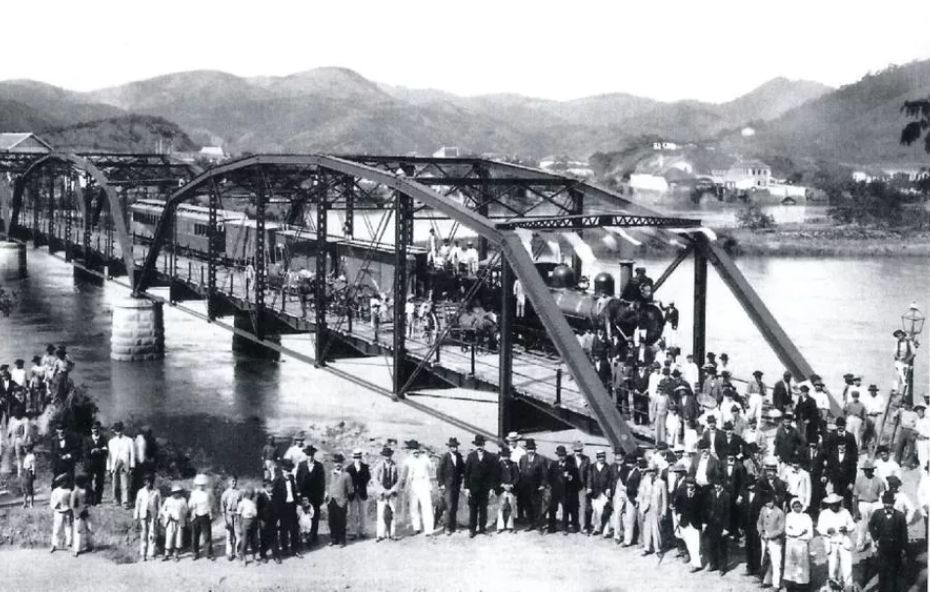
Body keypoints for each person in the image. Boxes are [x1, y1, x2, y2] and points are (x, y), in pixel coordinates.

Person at [817, 493, 857, 590]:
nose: (834, 506)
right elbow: (819, 528)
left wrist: (846, 528)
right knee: (833, 566)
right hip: (831, 542)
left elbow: (853, 525)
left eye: (836, 504)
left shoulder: (845, 512)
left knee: (847, 566)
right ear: (829, 505)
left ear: (839, 503)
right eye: (832, 504)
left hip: (844, 541)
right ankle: (833, 585)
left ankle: (848, 587)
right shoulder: (824, 513)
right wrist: (827, 530)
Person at [464, 434, 498, 537]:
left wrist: (492, 488)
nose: (480, 447)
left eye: (481, 444)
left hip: (485, 488)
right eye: (478, 445)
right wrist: (466, 488)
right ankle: (472, 530)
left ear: (484, 445)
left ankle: (483, 528)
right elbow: (467, 473)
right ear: (475, 445)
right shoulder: (470, 456)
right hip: (473, 488)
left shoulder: (490, 457)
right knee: (473, 509)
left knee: (483, 509)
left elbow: (493, 474)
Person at [402, 440, 435, 535]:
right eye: (412, 450)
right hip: (413, 484)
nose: (414, 451)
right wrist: (405, 487)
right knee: (413, 507)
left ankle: (429, 530)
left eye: (416, 449)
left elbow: (432, 467)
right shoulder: (407, 460)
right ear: (410, 450)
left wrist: (430, 455)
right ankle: (416, 528)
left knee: (427, 506)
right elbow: (404, 474)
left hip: (423, 483)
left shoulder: (424, 458)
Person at [853, 459, 886, 551]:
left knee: (875, 525)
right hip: (863, 503)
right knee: (863, 525)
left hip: (875, 503)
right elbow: (855, 496)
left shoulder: (878, 480)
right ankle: (860, 544)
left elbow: (882, 495)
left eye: (870, 469)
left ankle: (874, 544)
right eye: (866, 470)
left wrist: (882, 507)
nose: (868, 471)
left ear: (873, 470)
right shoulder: (859, 480)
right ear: (863, 470)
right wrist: (855, 510)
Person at [295, 445, 325, 545]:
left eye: (311, 455)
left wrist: (321, 497)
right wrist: (299, 493)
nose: (310, 457)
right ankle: (304, 536)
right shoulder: (302, 465)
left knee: (315, 516)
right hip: (304, 496)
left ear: (314, 455)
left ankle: (314, 536)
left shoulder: (319, 466)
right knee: (304, 517)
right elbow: (298, 480)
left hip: (315, 496)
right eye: (308, 455)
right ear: (305, 455)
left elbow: (322, 483)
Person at [546, 445, 580, 534]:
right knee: (552, 508)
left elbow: (576, 480)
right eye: (560, 455)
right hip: (555, 491)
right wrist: (551, 485)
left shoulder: (571, 466)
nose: (562, 457)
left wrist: (570, 478)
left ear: (565, 455)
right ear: (557, 455)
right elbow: (549, 477)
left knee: (566, 509)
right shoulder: (554, 464)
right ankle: (552, 527)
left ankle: (564, 527)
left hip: (566, 491)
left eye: (563, 455)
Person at [674, 476, 704, 571]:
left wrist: (703, 522)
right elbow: (677, 504)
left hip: (695, 522)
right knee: (689, 542)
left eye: (691, 483)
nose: (690, 485)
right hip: (684, 521)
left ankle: (696, 564)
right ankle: (694, 559)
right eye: (688, 483)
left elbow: (703, 510)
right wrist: (678, 514)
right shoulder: (682, 491)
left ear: (694, 484)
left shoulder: (699, 493)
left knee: (695, 543)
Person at [783, 498, 813, 591]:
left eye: (799, 506)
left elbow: (809, 532)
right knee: (790, 565)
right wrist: (800, 532)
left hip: (802, 543)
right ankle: (791, 585)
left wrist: (800, 535)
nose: (797, 508)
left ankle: (802, 586)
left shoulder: (806, 517)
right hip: (791, 543)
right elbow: (788, 530)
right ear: (792, 507)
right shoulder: (789, 516)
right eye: (795, 506)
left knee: (802, 565)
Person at [436, 437, 464, 534]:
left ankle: (453, 526)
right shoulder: (445, 457)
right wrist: (441, 484)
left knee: (455, 506)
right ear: (449, 447)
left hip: (456, 485)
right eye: (452, 447)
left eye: (455, 446)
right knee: (449, 506)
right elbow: (439, 471)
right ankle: (447, 527)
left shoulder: (459, 456)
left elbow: (462, 469)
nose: (454, 448)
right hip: (447, 486)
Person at [517, 438, 547, 531]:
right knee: (527, 505)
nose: (531, 451)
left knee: (537, 506)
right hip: (525, 487)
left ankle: (538, 525)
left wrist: (543, 484)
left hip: (536, 487)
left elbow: (544, 474)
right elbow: (521, 472)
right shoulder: (523, 458)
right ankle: (531, 524)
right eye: (529, 449)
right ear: (526, 449)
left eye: (532, 448)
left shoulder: (541, 459)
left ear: (535, 449)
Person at [757, 492, 785, 589]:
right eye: (766, 502)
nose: (768, 504)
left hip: (775, 541)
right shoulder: (763, 510)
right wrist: (761, 531)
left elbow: (781, 529)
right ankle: (765, 580)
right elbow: (759, 522)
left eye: (770, 502)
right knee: (764, 561)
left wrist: (771, 535)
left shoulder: (779, 512)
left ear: (774, 501)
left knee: (776, 562)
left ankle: (776, 584)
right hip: (764, 539)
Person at [373, 446, 401, 541]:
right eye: (385, 456)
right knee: (381, 513)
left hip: (392, 493)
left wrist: (393, 490)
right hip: (382, 493)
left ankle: (392, 534)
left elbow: (399, 480)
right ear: (383, 456)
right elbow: (375, 480)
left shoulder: (395, 466)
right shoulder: (379, 466)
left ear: (391, 455)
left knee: (393, 513)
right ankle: (380, 534)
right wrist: (382, 491)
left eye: (389, 455)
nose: (387, 458)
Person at [703, 478, 730, 574]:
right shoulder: (711, 493)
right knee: (712, 545)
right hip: (712, 524)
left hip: (722, 525)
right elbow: (707, 508)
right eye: (715, 484)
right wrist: (705, 522)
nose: (717, 487)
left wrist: (726, 528)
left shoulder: (727, 496)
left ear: (722, 485)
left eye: (719, 484)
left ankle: (723, 567)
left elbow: (728, 513)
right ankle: (713, 564)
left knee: (722, 546)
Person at [638, 465, 667, 556]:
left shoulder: (661, 483)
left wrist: (663, 512)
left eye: (653, 471)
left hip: (656, 508)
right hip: (647, 508)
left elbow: (664, 499)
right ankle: (647, 548)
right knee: (647, 528)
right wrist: (642, 510)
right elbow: (641, 496)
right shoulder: (644, 482)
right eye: (649, 471)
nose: (651, 473)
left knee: (656, 529)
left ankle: (658, 549)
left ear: (656, 472)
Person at [326, 453, 354, 547]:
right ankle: (334, 539)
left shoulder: (347, 475)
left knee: (341, 522)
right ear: (333, 463)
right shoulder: (330, 473)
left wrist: (346, 500)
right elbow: (327, 485)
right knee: (331, 521)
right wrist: (327, 495)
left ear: (342, 463)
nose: (338, 464)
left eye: (340, 462)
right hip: (331, 500)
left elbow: (350, 490)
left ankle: (342, 540)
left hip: (341, 501)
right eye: (336, 462)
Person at [273, 462, 300, 557]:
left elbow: (294, 492)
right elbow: (275, 497)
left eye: (290, 471)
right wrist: (277, 511)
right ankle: (285, 549)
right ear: (282, 470)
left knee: (294, 529)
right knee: (284, 529)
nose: (288, 473)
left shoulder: (292, 479)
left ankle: (295, 550)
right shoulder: (277, 480)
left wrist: (297, 503)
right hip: (283, 508)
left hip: (292, 506)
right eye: (286, 471)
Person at [740, 479, 765, 577]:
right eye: (749, 486)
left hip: (757, 525)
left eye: (752, 485)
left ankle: (757, 568)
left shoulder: (760, 495)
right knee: (748, 546)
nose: (751, 487)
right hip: (747, 525)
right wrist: (741, 525)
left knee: (757, 546)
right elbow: (742, 511)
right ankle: (749, 567)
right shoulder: (745, 494)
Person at [107, 421, 135, 509]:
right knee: (115, 483)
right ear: (114, 431)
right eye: (116, 431)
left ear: (123, 430)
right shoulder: (111, 442)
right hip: (114, 464)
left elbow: (132, 454)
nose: (118, 433)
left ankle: (125, 502)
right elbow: (109, 455)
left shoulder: (129, 440)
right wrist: (108, 468)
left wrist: (132, 466)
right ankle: (116, 500)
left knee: (125, 484)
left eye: (119, 430)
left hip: (124, 463)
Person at [134, 473, 161, 561]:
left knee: (152, 534)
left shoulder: (156, 492)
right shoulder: (141, 492)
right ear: (145, 482)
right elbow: (137, 505)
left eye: (150, 482)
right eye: (147, 482)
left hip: (153, 515)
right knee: (143, 534)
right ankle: (143, 554)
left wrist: (159, 516)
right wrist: (136, 516)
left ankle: (151, 553)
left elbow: (159, 505)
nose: (149, 484)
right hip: (143, 515)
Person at [344, 449, 370, 540]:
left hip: (362, 492)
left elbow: (367, 478)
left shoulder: (365, 467)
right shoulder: (349, 468)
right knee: (353, 513)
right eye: (355, 457)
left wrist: (361, 485)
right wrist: (352, 488)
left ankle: (363, 531)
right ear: (353, 457)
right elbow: (347, 481)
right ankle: (353, 531)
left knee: (363, 512)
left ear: (361, 457)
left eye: (359, 457)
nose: (357, 459)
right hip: (352, 494)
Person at [161, 484, 188, 561]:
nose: (177, 494)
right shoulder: (168, 500)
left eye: (178, 492)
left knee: (178, 537)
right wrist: (167, 514)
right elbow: (163, 509)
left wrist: (181, 514)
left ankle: (176, 554)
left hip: (179, 521)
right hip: (170, 521)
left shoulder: (183, 500)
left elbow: (186, 510)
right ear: (172, 493)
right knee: (169, 537)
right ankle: (166, 554)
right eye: (175, 492)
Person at [256, 479, 281, 563]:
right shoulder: (261, 496)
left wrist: (278, 519)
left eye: (272, 486)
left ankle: (276, 555)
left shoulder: (275, 496)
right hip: (264, 521)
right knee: (264, 538)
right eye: (269, 487)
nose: (271, 488)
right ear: (265, 487)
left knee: (274, 538)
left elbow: (277, 508)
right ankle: (263, 555)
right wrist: (260, 521)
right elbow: (258, 510)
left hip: (273, 520)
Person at [587, 450, 612, 535]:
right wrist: (589, 487)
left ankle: (606, 530)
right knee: (596, 511)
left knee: (605, 511)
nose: (601, 459)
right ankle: (596, 528)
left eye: (603, 457)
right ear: (597, 458)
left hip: (604, 493)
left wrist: (608, 488)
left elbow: (610, 480)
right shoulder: (592, 467)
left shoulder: (608, 467)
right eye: (600, 457)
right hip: (595, 493)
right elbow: (589, 478)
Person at [828, 440, 858, 509]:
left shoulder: (850, 456)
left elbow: (854, 471)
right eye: (840, 446)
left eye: (843, 446)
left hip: (846, 483)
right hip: (836, 482)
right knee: (836, 500)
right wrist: (830, 479)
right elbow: (829, 467)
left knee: (847, 502)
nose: (841, 448)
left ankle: (848, 516)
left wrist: (852, 482)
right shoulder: (833, 455)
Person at [496, 447, 520, 533]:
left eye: (507, 456)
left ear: (509, 456)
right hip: (501, 489)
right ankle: (500, 526)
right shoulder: (498, 465)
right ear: (501, 456)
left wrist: (511, 485)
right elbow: (496, 477)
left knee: (511, 507)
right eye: (504, 456)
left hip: (511, 489)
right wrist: (502, 485)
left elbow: (517, 477)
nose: (505, 458)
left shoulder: (514, 464)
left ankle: (510, 526)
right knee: (501, 507)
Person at [83, 422, 108, 505]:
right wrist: (91, 451)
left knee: (99, 482)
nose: (95, 431)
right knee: (88, 482)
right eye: (93, 429)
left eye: (97, 429)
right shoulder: (87, 439)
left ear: (99, 430)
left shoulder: (104, 439)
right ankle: (88, 499)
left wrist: (100, 451)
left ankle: (98, 499)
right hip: (89, 464)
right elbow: (84, 452)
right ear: (91, 430)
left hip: (100, 464)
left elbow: (106, 451)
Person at [220, 475, 244, 561]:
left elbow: (242, 504)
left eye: (235, 481)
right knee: (229, 535)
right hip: (229, 515)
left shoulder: (239, 493)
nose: (234, 483)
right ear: (228, 482)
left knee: (238, 534)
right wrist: (225, 520)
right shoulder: (225, 494)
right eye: (232, 481)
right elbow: (223, 508)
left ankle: (238, 552)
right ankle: (229, 553)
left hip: (237, 515)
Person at [50, 422, 80, 487]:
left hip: (68, 465)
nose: (61, 431)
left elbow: (76, 450)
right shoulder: (53, 440)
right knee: (56, 482)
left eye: (63, 429)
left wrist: (69, 455)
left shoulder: (71, 439)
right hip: (58, 466)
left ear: (66, 430)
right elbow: (52, 453)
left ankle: (70, 495)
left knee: (70, 482)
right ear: (56, 430)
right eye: (59, 429)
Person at [49, 473, 73, 553]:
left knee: (68, 528)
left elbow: (71, 502)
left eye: (66, 482)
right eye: (63, 482)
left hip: (67, 511)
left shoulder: (69, 491)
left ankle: (69, 544)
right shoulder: (56, 491)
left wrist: (71, 509)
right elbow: (52, 503)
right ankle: (54, 544)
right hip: (58, 512)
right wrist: (56, 505)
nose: (65, 483)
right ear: (60, 483)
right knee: (57, 528)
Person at [571, 441, 592, 533]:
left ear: (582, 450)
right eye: (576, 451)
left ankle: (583, 527)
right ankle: (575, 525)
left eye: (579, 450)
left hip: (582, 486)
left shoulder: (586, 459)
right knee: (573, 506)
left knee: (583, 506)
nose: (578, 452)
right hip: (572, 487)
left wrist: (589, 487)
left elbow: (589, 473)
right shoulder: (569, 458)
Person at [70, 474, 92, 556]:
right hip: (86, 512)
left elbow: (72, 505)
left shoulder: (75, 492)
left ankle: (76, 549)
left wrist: (75, 514)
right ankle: (89, 545)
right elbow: (90, 501)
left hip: (78, 513)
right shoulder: (87, 490)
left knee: (78, 531)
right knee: (88, 529)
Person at [237, 487, 259, 565]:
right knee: (244, 541)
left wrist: (256, 524)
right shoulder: (242, 503)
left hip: (253, 522)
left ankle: (254, 558)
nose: (251, 496)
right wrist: (240, 526)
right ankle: (244, 559)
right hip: (245, 522)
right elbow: (239, 515)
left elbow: (255, 514)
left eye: (252, 494)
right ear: (246, 494)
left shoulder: (253, 503)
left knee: (254, 541)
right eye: (250, 494)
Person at [21, 443, 36, 508]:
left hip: (29, 472)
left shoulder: (32, 456)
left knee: (29, 488)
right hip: (25, 472)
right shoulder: (27, 456)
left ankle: (31, 504)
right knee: (24, 487)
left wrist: (33, 474)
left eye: (25, 448)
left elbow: (33, 466)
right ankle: (25, 503)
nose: (24, 449)